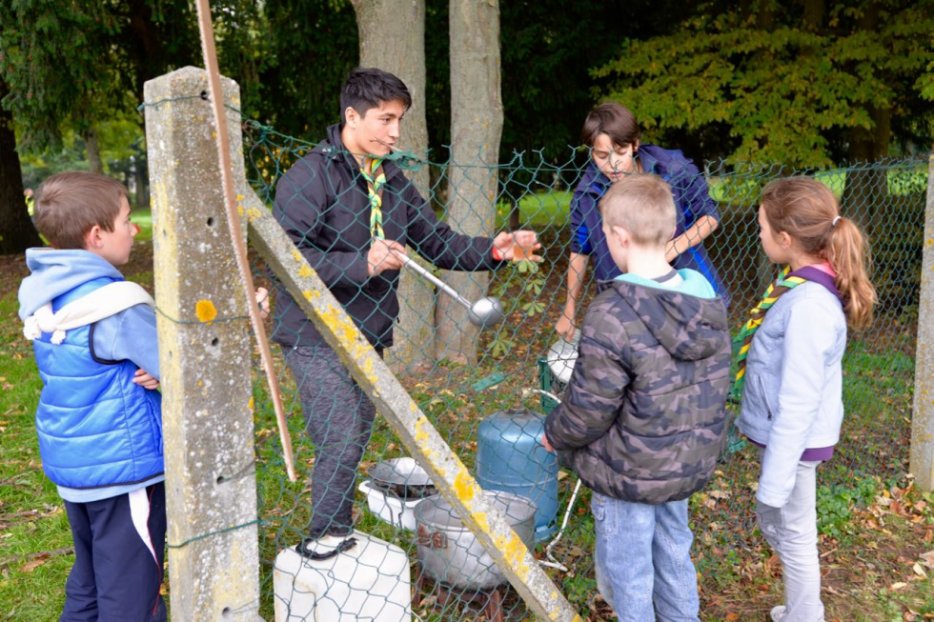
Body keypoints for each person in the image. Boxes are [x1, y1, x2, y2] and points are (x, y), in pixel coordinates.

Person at [272, 66, 538, 558]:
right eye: (385, 119)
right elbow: (287, 258)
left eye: (399, 120)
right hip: (313, 332)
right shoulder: (309, 177)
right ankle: (323, 536)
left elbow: (437, 242)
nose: (395, 133)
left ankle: (338, 529)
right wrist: (363, 262)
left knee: (356, 431)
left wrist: (494, 250)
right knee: (340, 433)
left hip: (367, 331)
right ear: (352, 116)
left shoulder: (391, 180)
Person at [542, 174, 731, 621]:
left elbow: (591, 406)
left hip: (627, 471)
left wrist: (555, 434)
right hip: (683, 462)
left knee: (628, 571)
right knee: (674, 552)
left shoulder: (614, 311)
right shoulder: (705, 300)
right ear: (670, 230)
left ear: (619, 237)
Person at [18, 171, 167, 621]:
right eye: (126, 220)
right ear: (97, 235)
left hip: (77, 468)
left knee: (90, 581)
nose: (134, 229)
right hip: (124, 472)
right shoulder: (118, 306)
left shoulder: (46, 294)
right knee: (132, 593)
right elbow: (182, 369)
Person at [735, 177, 876, 622]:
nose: (758, 235)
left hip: (793, 442)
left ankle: (804, 615)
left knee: (793, 534)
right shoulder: (798, 285)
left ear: (785, 238)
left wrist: (774, 481)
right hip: (789, 438)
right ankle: (803, 609)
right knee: (790, 530)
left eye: (761, 227)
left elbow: (798, 399)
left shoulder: (808, 306)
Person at [556, 102, 727, 341]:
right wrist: (569, 309)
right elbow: (579, 251)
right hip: (627, 306)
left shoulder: (672, 169)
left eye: (621, 152)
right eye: (602, 156)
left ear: (635, 144)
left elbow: (709, 217)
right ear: (591, 151)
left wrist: (670, 249)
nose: (612, 164)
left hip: (689, 295)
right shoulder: (588, 193)